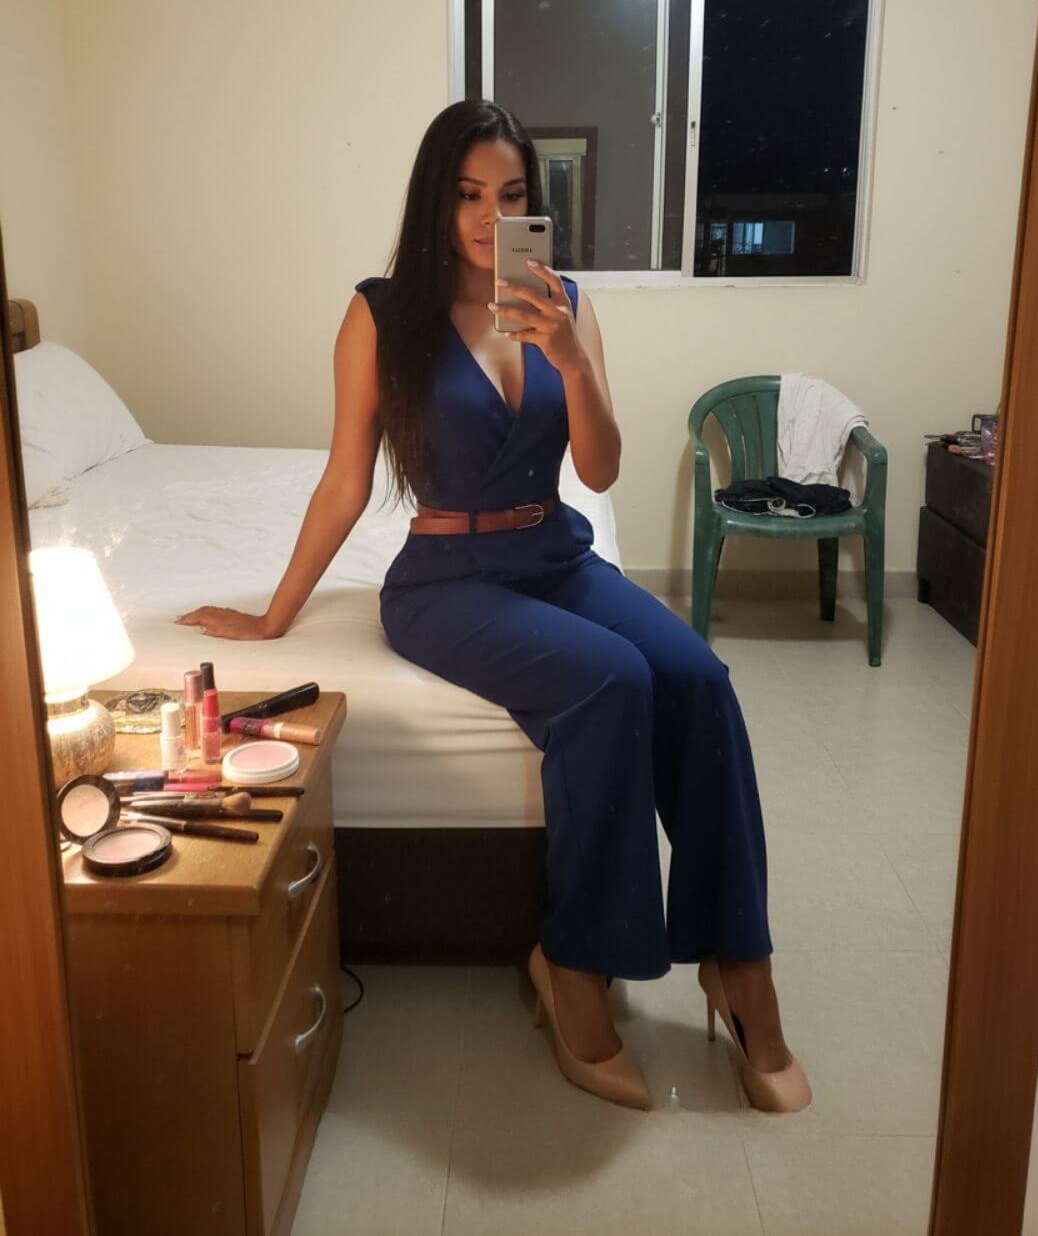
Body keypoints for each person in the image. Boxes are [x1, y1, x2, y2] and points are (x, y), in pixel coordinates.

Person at [176, 99, 811, 1113]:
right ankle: (573, 962)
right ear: (437, 200)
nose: (489, 215)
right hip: (446, 580)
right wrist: (272, 616)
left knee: (700, 677)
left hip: (554, 554)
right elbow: (344, 480)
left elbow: (599, 467)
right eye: (468, 193)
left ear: (533, 203)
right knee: (611, 680)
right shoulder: (383, 315)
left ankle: (740, 963)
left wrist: (571, 360)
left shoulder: (563, 302)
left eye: (511, 195)